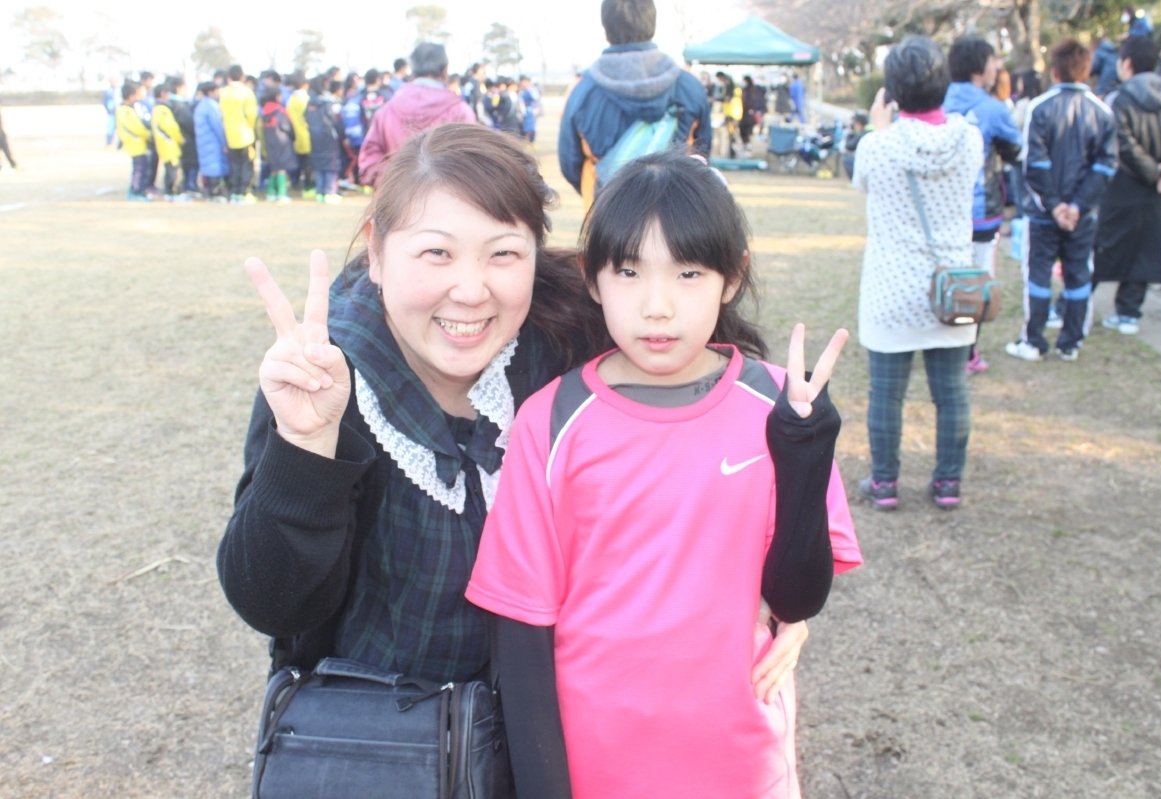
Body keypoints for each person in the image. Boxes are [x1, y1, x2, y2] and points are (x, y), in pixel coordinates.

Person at [219, 124, 814, 798]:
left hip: (560, 734)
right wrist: (305, 447)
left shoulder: (570, 341)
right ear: (377, 251)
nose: (471, 291)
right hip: (381, 746)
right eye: (436, 252)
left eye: (503, 253)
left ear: (536, 255)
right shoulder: (324, 375)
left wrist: (781, 591)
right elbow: (272, 603)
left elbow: (712, 401)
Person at [466, 149, 860, 798]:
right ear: (594, 279)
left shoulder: (779, 407)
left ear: (732, 277)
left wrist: (805, 453)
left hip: (741, 762)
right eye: (629, 271)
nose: (657, 306)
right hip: (596, 762)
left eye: (688, 273)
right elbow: (522, 624)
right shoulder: (553, 420)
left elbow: (796, 598)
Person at [852, 36, 982, 511]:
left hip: (891, 288)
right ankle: (948, 482)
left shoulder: (876, 147)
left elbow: (862, 182)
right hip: (953, 287)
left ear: (892, 90)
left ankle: (885, 482)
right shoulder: (969, 140)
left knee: (887, 395)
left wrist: (877, 125)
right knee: (952, 393)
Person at [1006, 38, 1117, 363]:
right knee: (1078, 274)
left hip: (1043, 213)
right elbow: (1104, 167)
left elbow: (1034, 165)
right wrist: (1078, 206)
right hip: (1081, 215)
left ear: (1054, 71)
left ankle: (1034, 341)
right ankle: (1070, 342)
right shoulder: (1102, 112)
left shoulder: (1040, 108)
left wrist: (1055, 206)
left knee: (1038, 275)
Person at [558, 0, 712, 208]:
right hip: (676, 211)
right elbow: (702, 154)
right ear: (653, 23)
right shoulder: (689, 85)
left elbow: (570, 161)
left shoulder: (582, 89)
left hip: (605, 209)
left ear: (606, 27)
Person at [1092, 35, 1161, 335]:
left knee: (1104, 246)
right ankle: (1129, 313)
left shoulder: (1121, 98)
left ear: (1127, 63)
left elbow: (1122, 142)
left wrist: (1152, 172)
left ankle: (1072, 303)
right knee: (1147, 249)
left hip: (1124, 186)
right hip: (1158, 190)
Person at [943, 37, 1022, 375]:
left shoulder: (937, 101)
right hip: (981, 214)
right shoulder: (993, 109)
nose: (997, 68)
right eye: (993, 61)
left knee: (941, 275)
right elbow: (1015, 150)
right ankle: (966, 353)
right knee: (976, 283)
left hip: (939, 214)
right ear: (979, 68)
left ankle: (939, 343)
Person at [357, 43, 476, 186]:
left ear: (412, 72)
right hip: (447, 196)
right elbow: (472, 164)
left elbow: (369, 161)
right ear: (445, 71)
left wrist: (396, 183)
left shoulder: (386, 110)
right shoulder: (460, 111)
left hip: (396, 196)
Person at [220, 64, 259, 204]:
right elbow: (252, 115)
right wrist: (251, 127)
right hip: (245, 135)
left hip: (230, 135)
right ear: (242, 77)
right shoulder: (247, 92)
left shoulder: (223, 93)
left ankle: (235, 192)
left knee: (235, 165)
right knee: (246, 165)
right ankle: (245, 192)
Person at [306, 76, 344, 203]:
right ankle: (330, 191)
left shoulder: (310, 103)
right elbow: (335, 121)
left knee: (318, 163)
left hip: (314, 136)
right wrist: (341, 134)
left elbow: (305, 117)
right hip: (329, 136)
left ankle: (320, 191)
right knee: (331, 163)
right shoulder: (329, 103)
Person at [258, 85, 296, 202]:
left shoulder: (263, 111)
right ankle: (281, 193)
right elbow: (287, 127)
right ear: (276, 96)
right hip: (282, 143)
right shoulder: (280, 110)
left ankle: (271, 193)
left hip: (269, 143)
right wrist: (293, 136)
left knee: (273, 168)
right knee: (281, 168)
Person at [116, 81, 153, 200]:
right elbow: (136, 127)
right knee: (139, 169)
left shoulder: (128, 109)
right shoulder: (124, 110)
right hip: (135, 144)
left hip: (139, 144)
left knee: (142, 168)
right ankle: (135, 192)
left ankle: (139, 190)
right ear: (131, 96)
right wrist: (148, 135)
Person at [193, 82, 229, 200]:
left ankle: (209, 192)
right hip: (213, 142)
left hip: (202, 142)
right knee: (215, 167)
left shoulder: (200, 106)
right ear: (211, 92)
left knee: (207, 166)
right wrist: (224, 143)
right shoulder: (212, 105)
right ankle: (216, 193)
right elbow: (218, 126)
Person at [150, 84, 186, 201]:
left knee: (169, 169)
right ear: (163, 93)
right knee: (174, 170)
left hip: (163, 144)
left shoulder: (156, 109)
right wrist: (180, 139)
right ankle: (175, 193)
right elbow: (171, 128)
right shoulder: (163, 110)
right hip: (169, 144)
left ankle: (169, 192)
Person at [287, 73, 314, 198]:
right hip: (306, 135)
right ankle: (308, 186)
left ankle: (295, 183)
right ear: (305, 84)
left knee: (298, 162)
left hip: (294, 135)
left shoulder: (291, 99)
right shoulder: (305, 99)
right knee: (308, 163)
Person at [519, 76, 541, 142]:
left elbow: (536, 100)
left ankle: (531, 141)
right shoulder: (521, 91)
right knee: (524, 128)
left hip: (531, 111)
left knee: (531, 128)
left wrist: (536, 108)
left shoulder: (532, 90)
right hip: (524, 112)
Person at [103, 77, 119, 146]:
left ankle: (121, 144)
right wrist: (108, 109)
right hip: (112, 112)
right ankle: (109, 142)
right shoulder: (108, 91)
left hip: (119, 112)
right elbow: (105, 102)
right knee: (110, 127)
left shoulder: (119, 90)